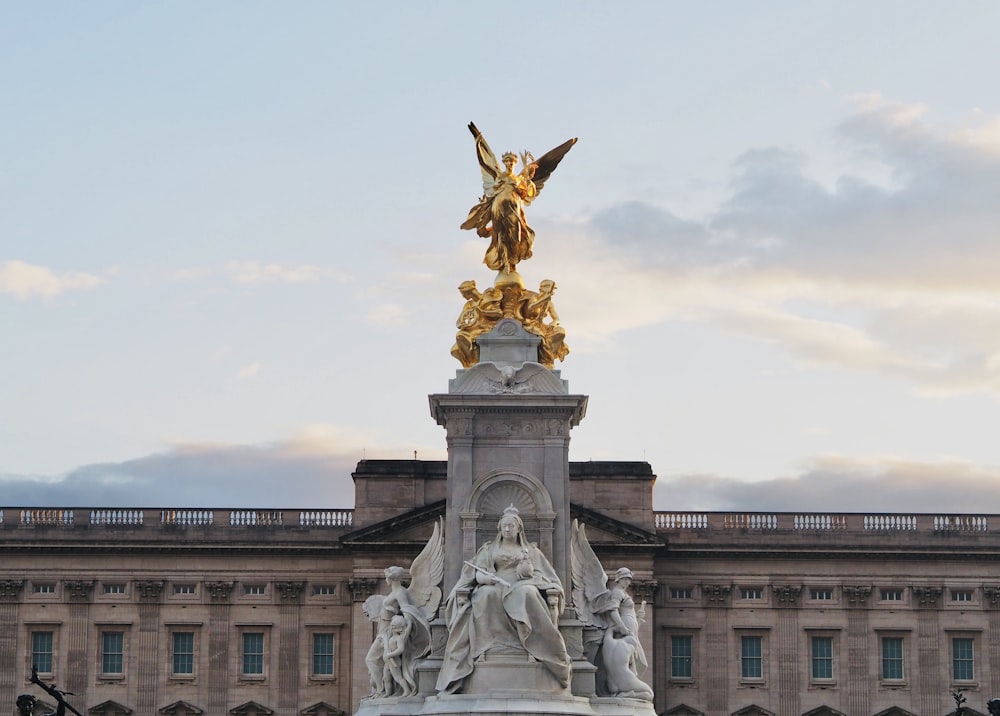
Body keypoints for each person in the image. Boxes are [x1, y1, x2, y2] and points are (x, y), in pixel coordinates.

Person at [436, 506, 571, 694]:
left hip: (522, 584)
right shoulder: (489, 549)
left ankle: (533, 644)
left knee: (529, 594)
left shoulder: (529, 550)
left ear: (519, 529)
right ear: (500, 528)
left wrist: (529, 572)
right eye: (505, 526)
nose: (507, 529)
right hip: (494, 583)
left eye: (511, 526)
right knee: (484, 595)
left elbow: (544, 574)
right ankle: (487, 647)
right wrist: (484, 579)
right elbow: (475, 572)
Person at [461, 123, 576, 276]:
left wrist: (529, 180)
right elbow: (486, 159)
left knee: (515, 233)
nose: (509, 163)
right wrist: (479, 138)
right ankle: (504, 261)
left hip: (514, 206)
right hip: (498, 206)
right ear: (504, 162)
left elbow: (528, 192)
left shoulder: (520, 178)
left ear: (515, 163)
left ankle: (512, 259)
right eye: (507, 161)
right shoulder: (498, 176)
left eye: (511, 161)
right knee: (500, 234)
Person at [451, 281, 503, 367]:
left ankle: (473, 363)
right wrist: (461, 324)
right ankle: (469, 366)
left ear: (469, 291)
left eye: (463, 293)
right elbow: (459, 321)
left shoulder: (488, 298)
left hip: (486, 328)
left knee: (460, 335)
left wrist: (482, 312)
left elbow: (498, 313)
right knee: (455, 350)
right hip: (471, 329)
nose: (463, 296)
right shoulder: (469, 305)